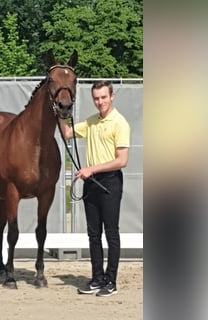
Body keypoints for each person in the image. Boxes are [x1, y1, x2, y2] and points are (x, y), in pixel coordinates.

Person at [58, 80, 130, 297]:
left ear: (111, 97)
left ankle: (111, 280)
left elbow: (122, 160)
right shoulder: (91, 122)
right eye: (96, 98)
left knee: (111, 232)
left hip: (109, 182)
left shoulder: (120, 123)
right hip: (91, 184)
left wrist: (92, 169)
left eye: (103, 97)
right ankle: (97, 277)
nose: (100, 102)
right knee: (93, 234)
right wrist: (62, 113)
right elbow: (68, 133)